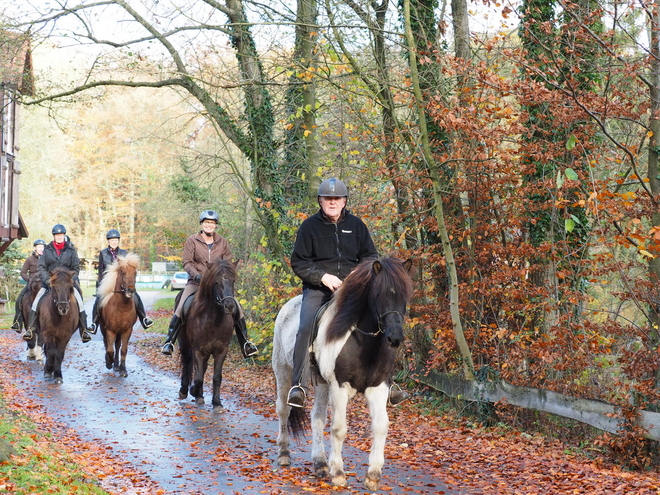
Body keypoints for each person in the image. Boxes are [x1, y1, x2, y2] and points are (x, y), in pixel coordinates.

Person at [286, 178, 408, 409]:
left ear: (344, 201)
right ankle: (298, 385)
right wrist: (322, 277)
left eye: (337, 199)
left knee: (381, 319)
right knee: (304, 327)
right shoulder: (309, 227)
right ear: (320, 201)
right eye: (327, 199)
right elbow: (299, 262)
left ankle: (389, 383)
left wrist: (357, 274)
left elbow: (371, 257)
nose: (332, 202)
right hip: (319, 289)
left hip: (352, 288)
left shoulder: (357, 225)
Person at [161, 210, 258, 358]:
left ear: (215, 226)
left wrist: (224, 276)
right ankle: (169, 341)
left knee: (236, 306)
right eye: (207, 223)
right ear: (202, 224)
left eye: (212, 223)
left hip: (218, 285)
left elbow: (227, 263)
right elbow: (187, 262)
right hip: (196, 283)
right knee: (182, 306)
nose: (209, 225)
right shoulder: (192, 240)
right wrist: (197, 276)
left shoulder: (222, 242)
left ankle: (245, 343)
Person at [22, 224, 96, 343]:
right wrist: (48, 280)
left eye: (61, 235)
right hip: (50, 283)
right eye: (57, 235)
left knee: (79, 301)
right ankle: (30, 329)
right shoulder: (47, 250)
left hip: (67, 284)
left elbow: (76, 268)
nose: (59, 237)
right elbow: (41, 267)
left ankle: (84, 331)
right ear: (54, 236)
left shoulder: (71, 250)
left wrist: (70, 280)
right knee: (36, 302)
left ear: (64, 235)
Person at [92, 229, 153, 330]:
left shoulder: (123, 252)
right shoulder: (103, 253)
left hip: (122, 282)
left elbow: (128, 268)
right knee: (98, 300)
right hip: (108, 282)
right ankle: (94, 323)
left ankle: (144, 319)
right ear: (108, 241)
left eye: (116, 240)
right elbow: (101, 270)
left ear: (118, 240)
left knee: (136, 297)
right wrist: (102, 282)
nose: (114, 242)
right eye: (112, 240)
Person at [11, 239, 46, 332]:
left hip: (44, 283)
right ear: (35, 248)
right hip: (32, 283)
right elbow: (22, 273)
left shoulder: (47, 259)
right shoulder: (29, 259)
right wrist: (29, 280)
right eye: (39, 247)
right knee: (19, 299)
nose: (41, 249)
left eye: (42, 247)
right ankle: (17, 322)